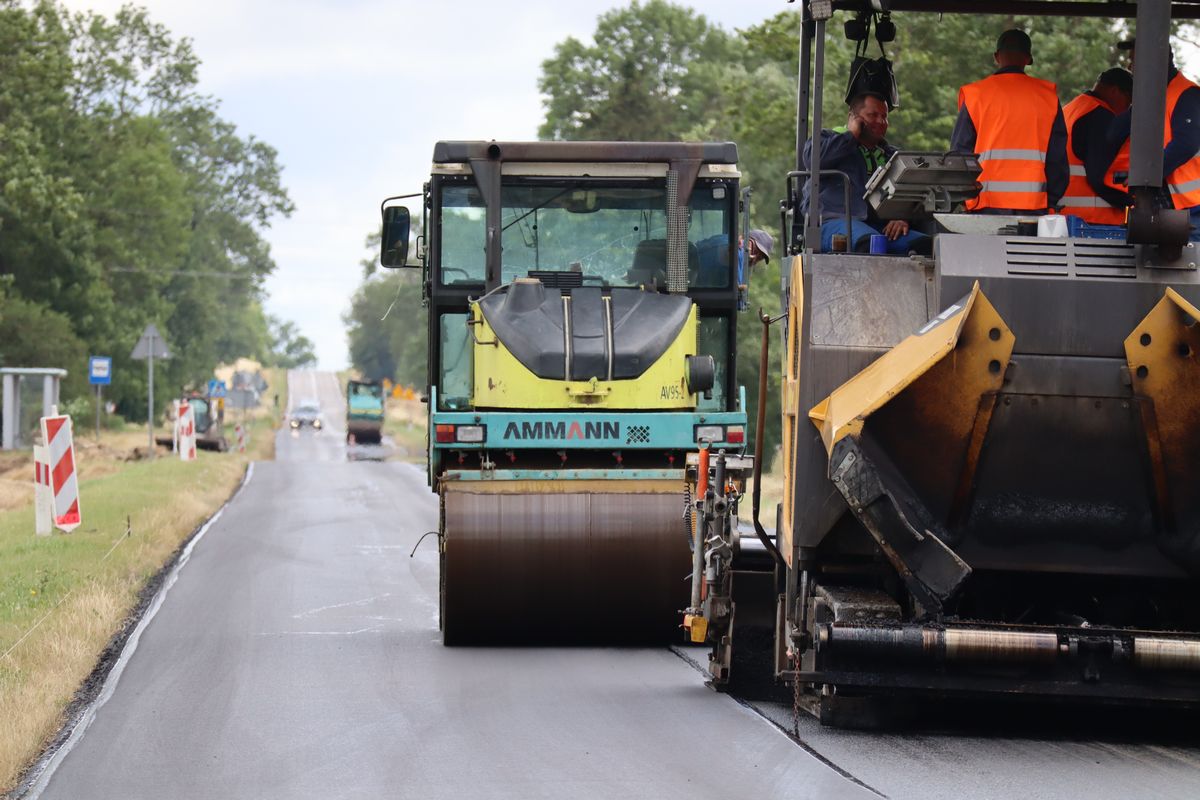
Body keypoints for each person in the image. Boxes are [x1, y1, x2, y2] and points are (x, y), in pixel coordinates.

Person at [951, 29, 1069, 215]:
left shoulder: (976, 95)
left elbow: (959, 155)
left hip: (985, 205)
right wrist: (1051, 202)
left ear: (997, 56)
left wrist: (965, 199)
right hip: (1034, 206)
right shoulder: (1047, 98)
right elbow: (1057, 159)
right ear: (1028, 59)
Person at [801, 93, 932, 255]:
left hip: (879, 227)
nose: (881, 121)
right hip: (834, 221)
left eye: (884, 116)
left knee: (927, 245)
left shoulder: (892, 155)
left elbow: (911, 193)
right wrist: (851, 135)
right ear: (853, 117)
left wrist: (902, 217)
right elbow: (813, 162)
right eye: (873, 115)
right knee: (869, 243)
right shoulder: (825, 139)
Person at [1112, 39, 1200, 240]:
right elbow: (1114, 132)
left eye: (1134, 61)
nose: (1130, 67)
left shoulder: (1187, 94)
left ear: (1155, 62)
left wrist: (1146, 175)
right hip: (1173, 205)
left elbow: (1186, 144)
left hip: (1194, 206)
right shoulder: (1154, 96)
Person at [1060, 68, 1133, 224]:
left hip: (1065, 216)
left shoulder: (1071, 109)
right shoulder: (1100, 116)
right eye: (1128, 101)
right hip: (1094, 220)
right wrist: (1130, 201)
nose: (1126, 109)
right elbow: (1100, 176)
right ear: (1115, 91)